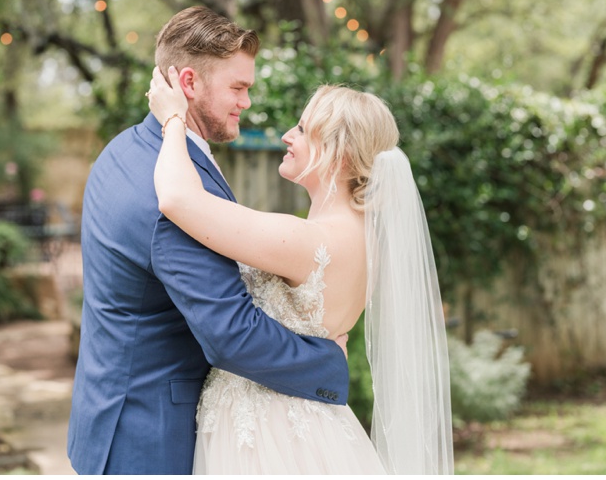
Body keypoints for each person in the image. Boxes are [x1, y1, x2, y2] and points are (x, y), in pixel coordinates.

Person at [67, 6, 350, 475]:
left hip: (107, 413)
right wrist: (326, 364)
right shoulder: (166, 198)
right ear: (189, 84)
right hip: (149, 437)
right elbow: (229, 333)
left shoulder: (125, 149)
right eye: (237, 88)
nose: (247, 102)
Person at [148, 66, 454, 474]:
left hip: (269, 435)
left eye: (303, 130)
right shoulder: (366, 240)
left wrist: (172, 119)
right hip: (313, 422)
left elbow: (176, 199)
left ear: (339, 155)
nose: (287, 137)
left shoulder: (310, 242)